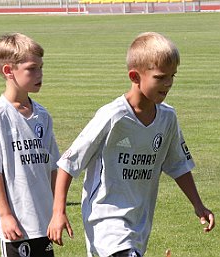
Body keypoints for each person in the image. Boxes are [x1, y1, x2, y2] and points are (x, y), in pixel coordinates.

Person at [47, 32, 215, 257]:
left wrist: (198, 204)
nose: (169, 84)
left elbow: (178, 165)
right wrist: (58, 212)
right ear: (135, 76)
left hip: (139, 221)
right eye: (160, 77)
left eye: (173, 76)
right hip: (105, 218)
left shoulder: (167, 118)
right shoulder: (113, 115)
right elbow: (69, 163)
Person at [0, 33, 60, 257]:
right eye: (31, 68)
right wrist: (5, 215)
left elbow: (53, 167)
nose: (40, 74)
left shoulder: (43, 116)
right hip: (17, 226)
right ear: (8, 71)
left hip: (45, 223)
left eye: (41, 67)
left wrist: (57, 211)